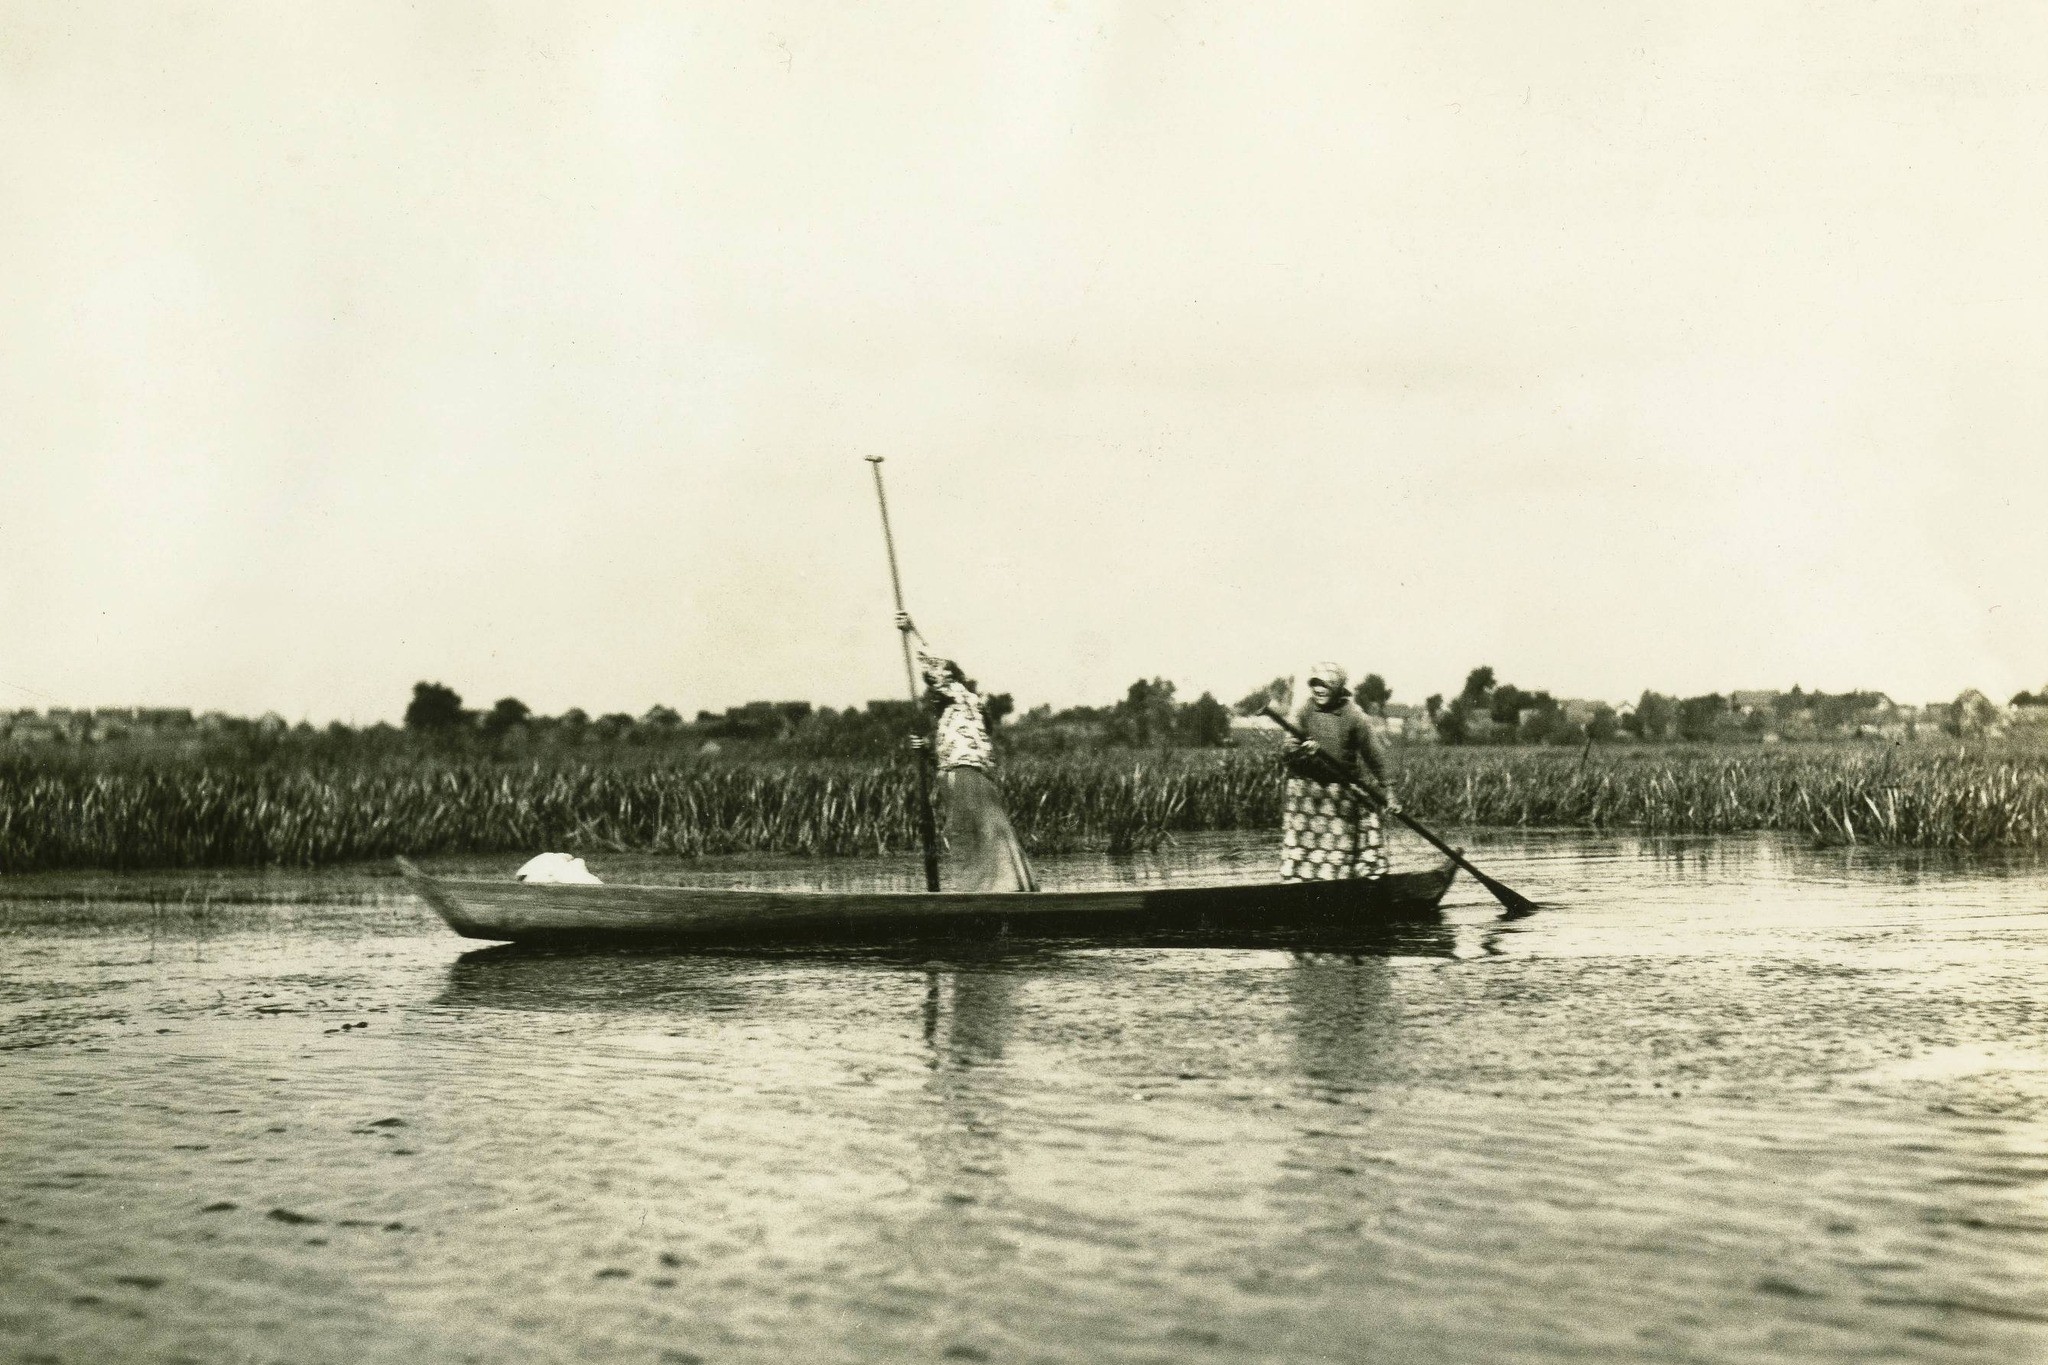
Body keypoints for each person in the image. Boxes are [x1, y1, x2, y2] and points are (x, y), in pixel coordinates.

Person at [897, 613, 1038, 893]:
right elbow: (945, 758)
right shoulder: (948, 718)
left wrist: (912, 632)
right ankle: (989, 889)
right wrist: (924, 750)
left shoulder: (963, 698)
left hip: (967, 778)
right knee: (968, 835)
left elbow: (938, 668)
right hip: (956, 778)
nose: (932, 692)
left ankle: (999, 890)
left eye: (936, 687)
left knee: (981, 832)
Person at [1279, 662, 1400, 882]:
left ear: (1337, 687)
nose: (1319, 690)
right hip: (1308, 792)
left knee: (1341, 849)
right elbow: (1288, 750)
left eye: (1325, 685)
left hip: (1341, 791)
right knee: (1305, 849)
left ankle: (1346, 886)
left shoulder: (1354, 715)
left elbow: (1375, 755)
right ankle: (1301, 886)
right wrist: (1304, 754)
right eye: (1314, 685)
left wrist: (1389, 791)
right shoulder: (1304, 710)